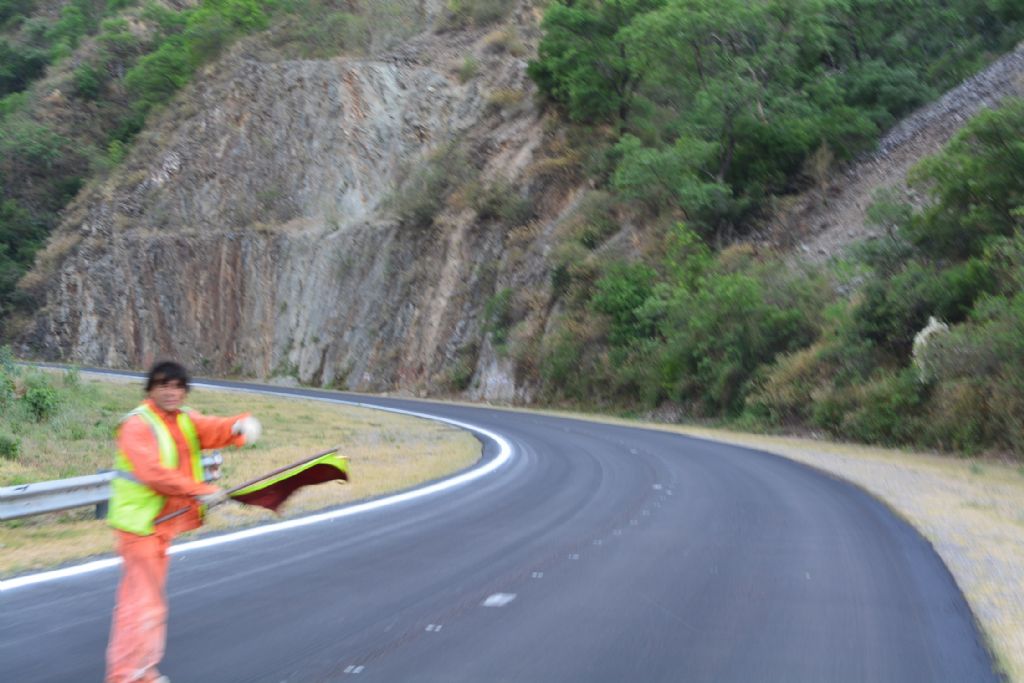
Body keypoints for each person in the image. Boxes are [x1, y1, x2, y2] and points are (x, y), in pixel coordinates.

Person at [105, 360, 262, 683]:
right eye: (163, 385)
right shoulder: (137, 425)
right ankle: (126, 677)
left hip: (160, 526)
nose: (171, 392)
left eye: (178, 386)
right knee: (140, 606)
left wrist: (238, 426)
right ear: (151, 389)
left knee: (149, 604)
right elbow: (153, 473)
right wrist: (200, 490)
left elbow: (212, 428)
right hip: (139, 526)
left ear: (185, 391)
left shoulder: (184, 419)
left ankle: (143, 673)